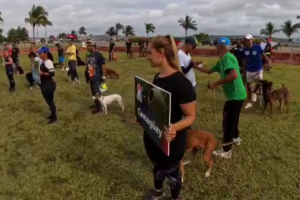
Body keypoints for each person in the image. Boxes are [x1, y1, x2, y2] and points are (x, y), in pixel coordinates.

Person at [143, 35, 196, 200]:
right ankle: (158, 192)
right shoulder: (158, 77)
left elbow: (190, 116)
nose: (147, 56)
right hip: (155, 137)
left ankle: (175, 198)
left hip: (171, 142)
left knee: (172, 174)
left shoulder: (181, 83)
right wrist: (144, 116)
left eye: (149, 52)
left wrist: (174, 128)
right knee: (157, 167)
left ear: (160, 53)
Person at [193, 37, 246, 158]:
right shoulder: (222, 61)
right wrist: (195, 66)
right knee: (232, 119)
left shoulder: (228, 57)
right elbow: (209, 71)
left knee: (228, 122)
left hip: (236, 96)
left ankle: (226, 151)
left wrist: (215, 84)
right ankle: (236, 138)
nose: (215, 49)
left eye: (216, 47)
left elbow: (233, 75)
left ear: (221, 47)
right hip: (235, 96)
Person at [243, 34, 270, 109]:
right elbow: (245, 60)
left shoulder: (257, 47)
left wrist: (268, 62)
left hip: (258, 69)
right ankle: (249, 102)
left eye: (248, 40)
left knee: (260, 84)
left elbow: (264, 55)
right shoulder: (245, 49)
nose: (247, 42)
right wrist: (244, 70)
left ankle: (260, 99)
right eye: (246, 40)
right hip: (249, 70)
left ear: (252, 40)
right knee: (248, 86)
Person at [85, 39, 106, 114]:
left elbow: (103, 65)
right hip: (91, 77)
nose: (87, 47)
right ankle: (96, 105)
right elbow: (88, 66)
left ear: (93, 46)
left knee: (97, 93)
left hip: (97, 77)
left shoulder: (98, 54)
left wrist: (103, 76)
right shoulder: (89, 55)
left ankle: (99, 108)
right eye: (87, 45)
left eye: (89, 46)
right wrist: (87, 77)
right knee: (93, 92)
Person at [37, 46, 57, 124]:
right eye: (38, 53)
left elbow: (52, 73)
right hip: (44, 84)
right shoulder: (43, 62)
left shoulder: (48, 62)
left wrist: (43, 73)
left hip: (49, 85)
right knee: (49, 102)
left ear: (45, 53)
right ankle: (52, 115)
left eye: (40, 53)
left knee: (50, 102)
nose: (39, 55)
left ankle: (54, 118)